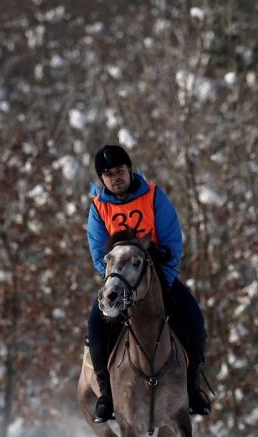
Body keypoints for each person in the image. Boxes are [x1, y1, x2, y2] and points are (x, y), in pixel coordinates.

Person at [86, 144, 212, 422]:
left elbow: (172, 243)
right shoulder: (98, 207)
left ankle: (192, 389)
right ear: (102, 179)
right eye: (108, 174)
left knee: (193, 320)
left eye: (119, 171)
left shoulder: (154, 196)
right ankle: (107, 396)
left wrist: (161, 283)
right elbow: (98, 254)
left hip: (158, 280)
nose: (115, 178)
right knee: (95, 326)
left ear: (129, 170)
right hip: (120, 283)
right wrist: (118, 282)